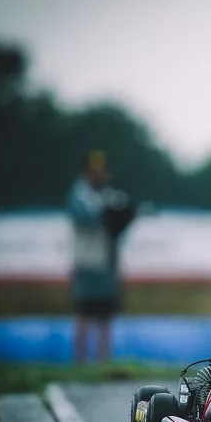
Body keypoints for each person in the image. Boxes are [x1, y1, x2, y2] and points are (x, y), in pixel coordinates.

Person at [66, 149, 138, 364]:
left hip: (107, 262)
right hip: (88, 262)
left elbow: (121, 220)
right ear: (87, 173)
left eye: (102, 171)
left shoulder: (109, 195)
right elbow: (88, 216)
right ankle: (79, 361)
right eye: (95, 171)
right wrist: (113, 213)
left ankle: (102, 363)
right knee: (84, 313)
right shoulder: (79, 195)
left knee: (106, 315)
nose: (99, 175)